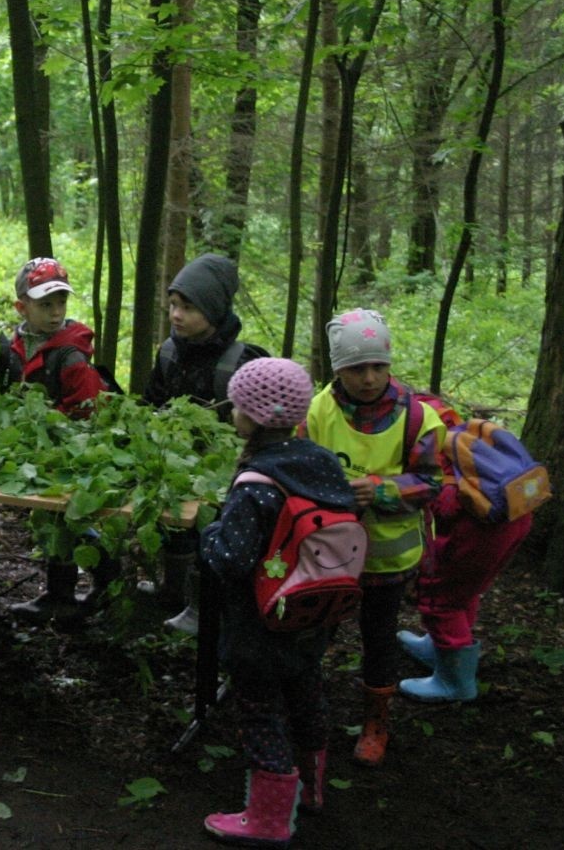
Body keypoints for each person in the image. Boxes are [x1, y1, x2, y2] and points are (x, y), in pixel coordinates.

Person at [200, 358, 354, 849]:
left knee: (260, 709)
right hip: (315, 608)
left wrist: (208, 533)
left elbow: (231, 559)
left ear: (251, 416)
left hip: (262, 620)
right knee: (306, 693)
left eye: (236, 406)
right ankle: (311, 788)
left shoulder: (257, 483)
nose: (233, 413)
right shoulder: (323, 463)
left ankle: (269, 819)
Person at [301, 308, 444, 768]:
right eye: (356, 368)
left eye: (378, 366)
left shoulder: (418, 418)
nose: (368, 378)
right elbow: (300, 466)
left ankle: (375, 722)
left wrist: (384, 490)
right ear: (337, 369)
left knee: (379, 638)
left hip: (387, 559)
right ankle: (304, 709)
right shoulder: (318, 410)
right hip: (329, 553)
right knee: (313, 633)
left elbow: (433, 483)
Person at [142, 253, 271, 634]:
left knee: (211, 535)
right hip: (175, 465)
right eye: (173, 305)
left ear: (213, 311)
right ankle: (173, 590)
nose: (176, 315)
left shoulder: (242, 361)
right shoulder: (169, 352)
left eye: (188, 307)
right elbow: (152, 401)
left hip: (225, 472)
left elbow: (261, 424)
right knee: (174, 529)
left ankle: (204, 606)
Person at [4, 257, 117, 624]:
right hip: (38, 449)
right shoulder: (19, 344)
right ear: (22, 307)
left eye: (61, 303)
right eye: (45, 304)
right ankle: (61, 594)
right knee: (49, 518)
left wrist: (54, 423)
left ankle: (107, 574)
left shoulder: (70, 355)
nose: (56, 313)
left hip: (71, 452)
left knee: (66, 518)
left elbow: (89, 410)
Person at [397, 399, 532, 703]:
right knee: (464, 591)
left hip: (481, 531)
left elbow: (444, 508)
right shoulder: (459, 436)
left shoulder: (431, 451)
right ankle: (438, 647)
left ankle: (455, 680)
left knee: (440, 598)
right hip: (515, 517)